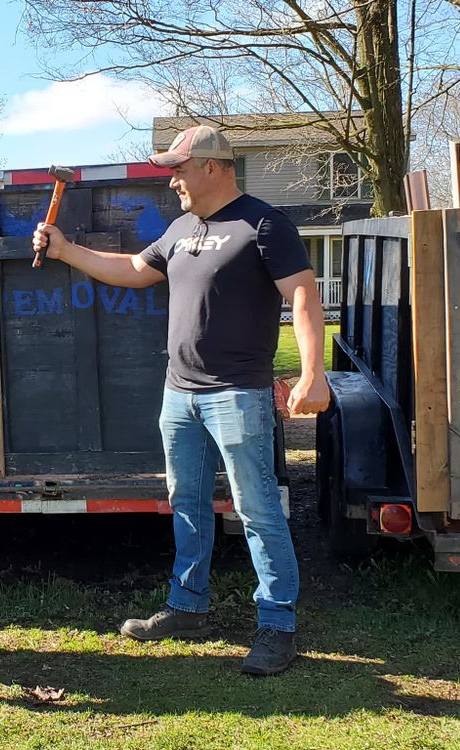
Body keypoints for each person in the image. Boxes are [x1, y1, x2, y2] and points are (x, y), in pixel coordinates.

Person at [32, 125, 330, 675]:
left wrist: (314, 373)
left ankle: (277, 624)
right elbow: (134, 271)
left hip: (237, 394)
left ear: (213, 167)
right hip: (181, 394)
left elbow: (305, 296)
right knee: (187, 505)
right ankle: (188, 607)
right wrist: (66, 249)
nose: (171, 180)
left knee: (258, 508)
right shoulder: (181, 229)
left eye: (179, 168)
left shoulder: (264, 224)